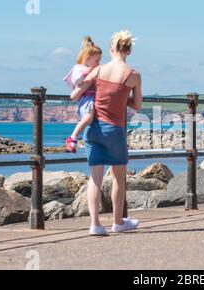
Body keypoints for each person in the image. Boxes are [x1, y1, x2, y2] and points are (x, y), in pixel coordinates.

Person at [71, 30, 142, 236]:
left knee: (95, 179)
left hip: (93, 128)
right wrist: (122, 97)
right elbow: (136, 105)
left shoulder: (98, 70)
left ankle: (95, 224)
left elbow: (76, 94)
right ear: (128, 50)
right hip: (114, 130)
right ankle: (118, 222)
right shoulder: (133, 75)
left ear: (112, 48)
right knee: (119, 179)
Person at [63, 36, 102, 153]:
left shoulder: (92, 68)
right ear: (88, 58)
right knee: (88, 117)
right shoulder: (79, 68)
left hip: (93, 97)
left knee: (92, 119)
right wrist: (87, 72)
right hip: (86, 98)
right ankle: (73, 137)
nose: (98, 63)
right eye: (97, 61)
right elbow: (76, 81)